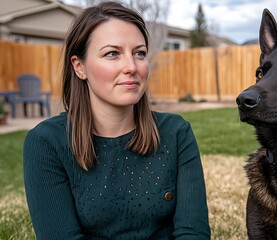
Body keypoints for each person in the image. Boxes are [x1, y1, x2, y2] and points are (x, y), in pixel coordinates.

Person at [23, 1, 210, 239]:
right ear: (79, 67)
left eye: (139, 53)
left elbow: (193, 233)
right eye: (112, 54)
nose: (131, 66)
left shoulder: (175, 133)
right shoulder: (47, 143)